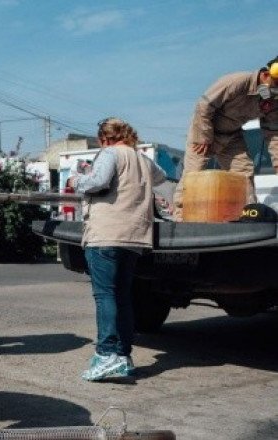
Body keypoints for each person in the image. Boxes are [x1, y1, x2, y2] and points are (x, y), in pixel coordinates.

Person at [66, 118, 166, 382]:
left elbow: (98, 182)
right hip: (134, 236)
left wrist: (77, 179)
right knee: (122, 296)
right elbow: (162, 176)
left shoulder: (109, 153)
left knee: (105, 296)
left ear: (104, 139)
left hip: (107, 233)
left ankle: (106, 354)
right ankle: (124, 356)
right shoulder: (142, 158)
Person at [173, 56, 278, 220]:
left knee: (243, 174)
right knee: (193, 175)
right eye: (276, 85)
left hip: (232, 136)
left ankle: (248, 218)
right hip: (205, 132)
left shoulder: (272, 101)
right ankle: (179, 219)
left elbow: (273, 133)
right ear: (266, 75)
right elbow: (203, 106)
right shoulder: (236, 82)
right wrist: (204, 137)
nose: (275, 91)